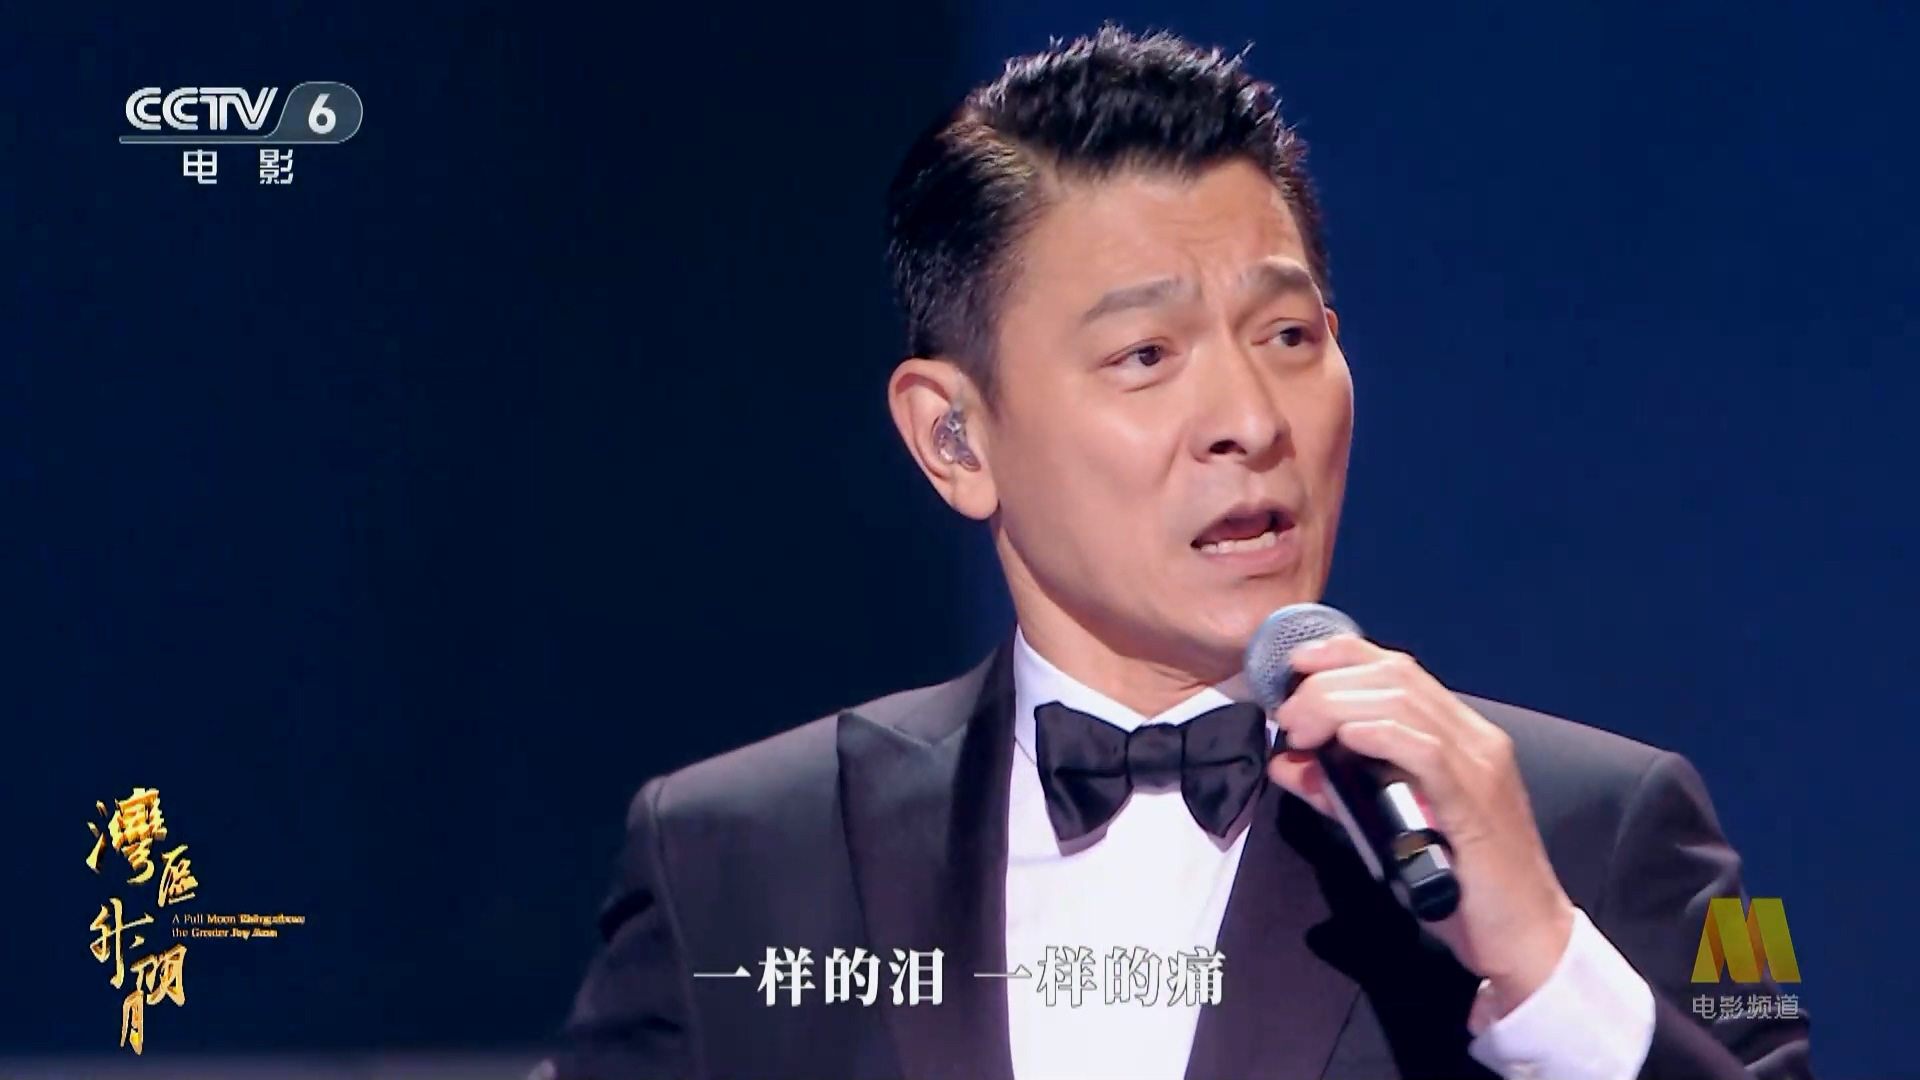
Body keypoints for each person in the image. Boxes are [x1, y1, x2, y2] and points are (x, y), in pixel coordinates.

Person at [545, 26, 1812, 1080]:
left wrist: (1544, 962)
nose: (1252, 422)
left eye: (1289, 337)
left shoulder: (1624, 819)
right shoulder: (730, 856)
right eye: (1145, 356)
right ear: (954, 438)